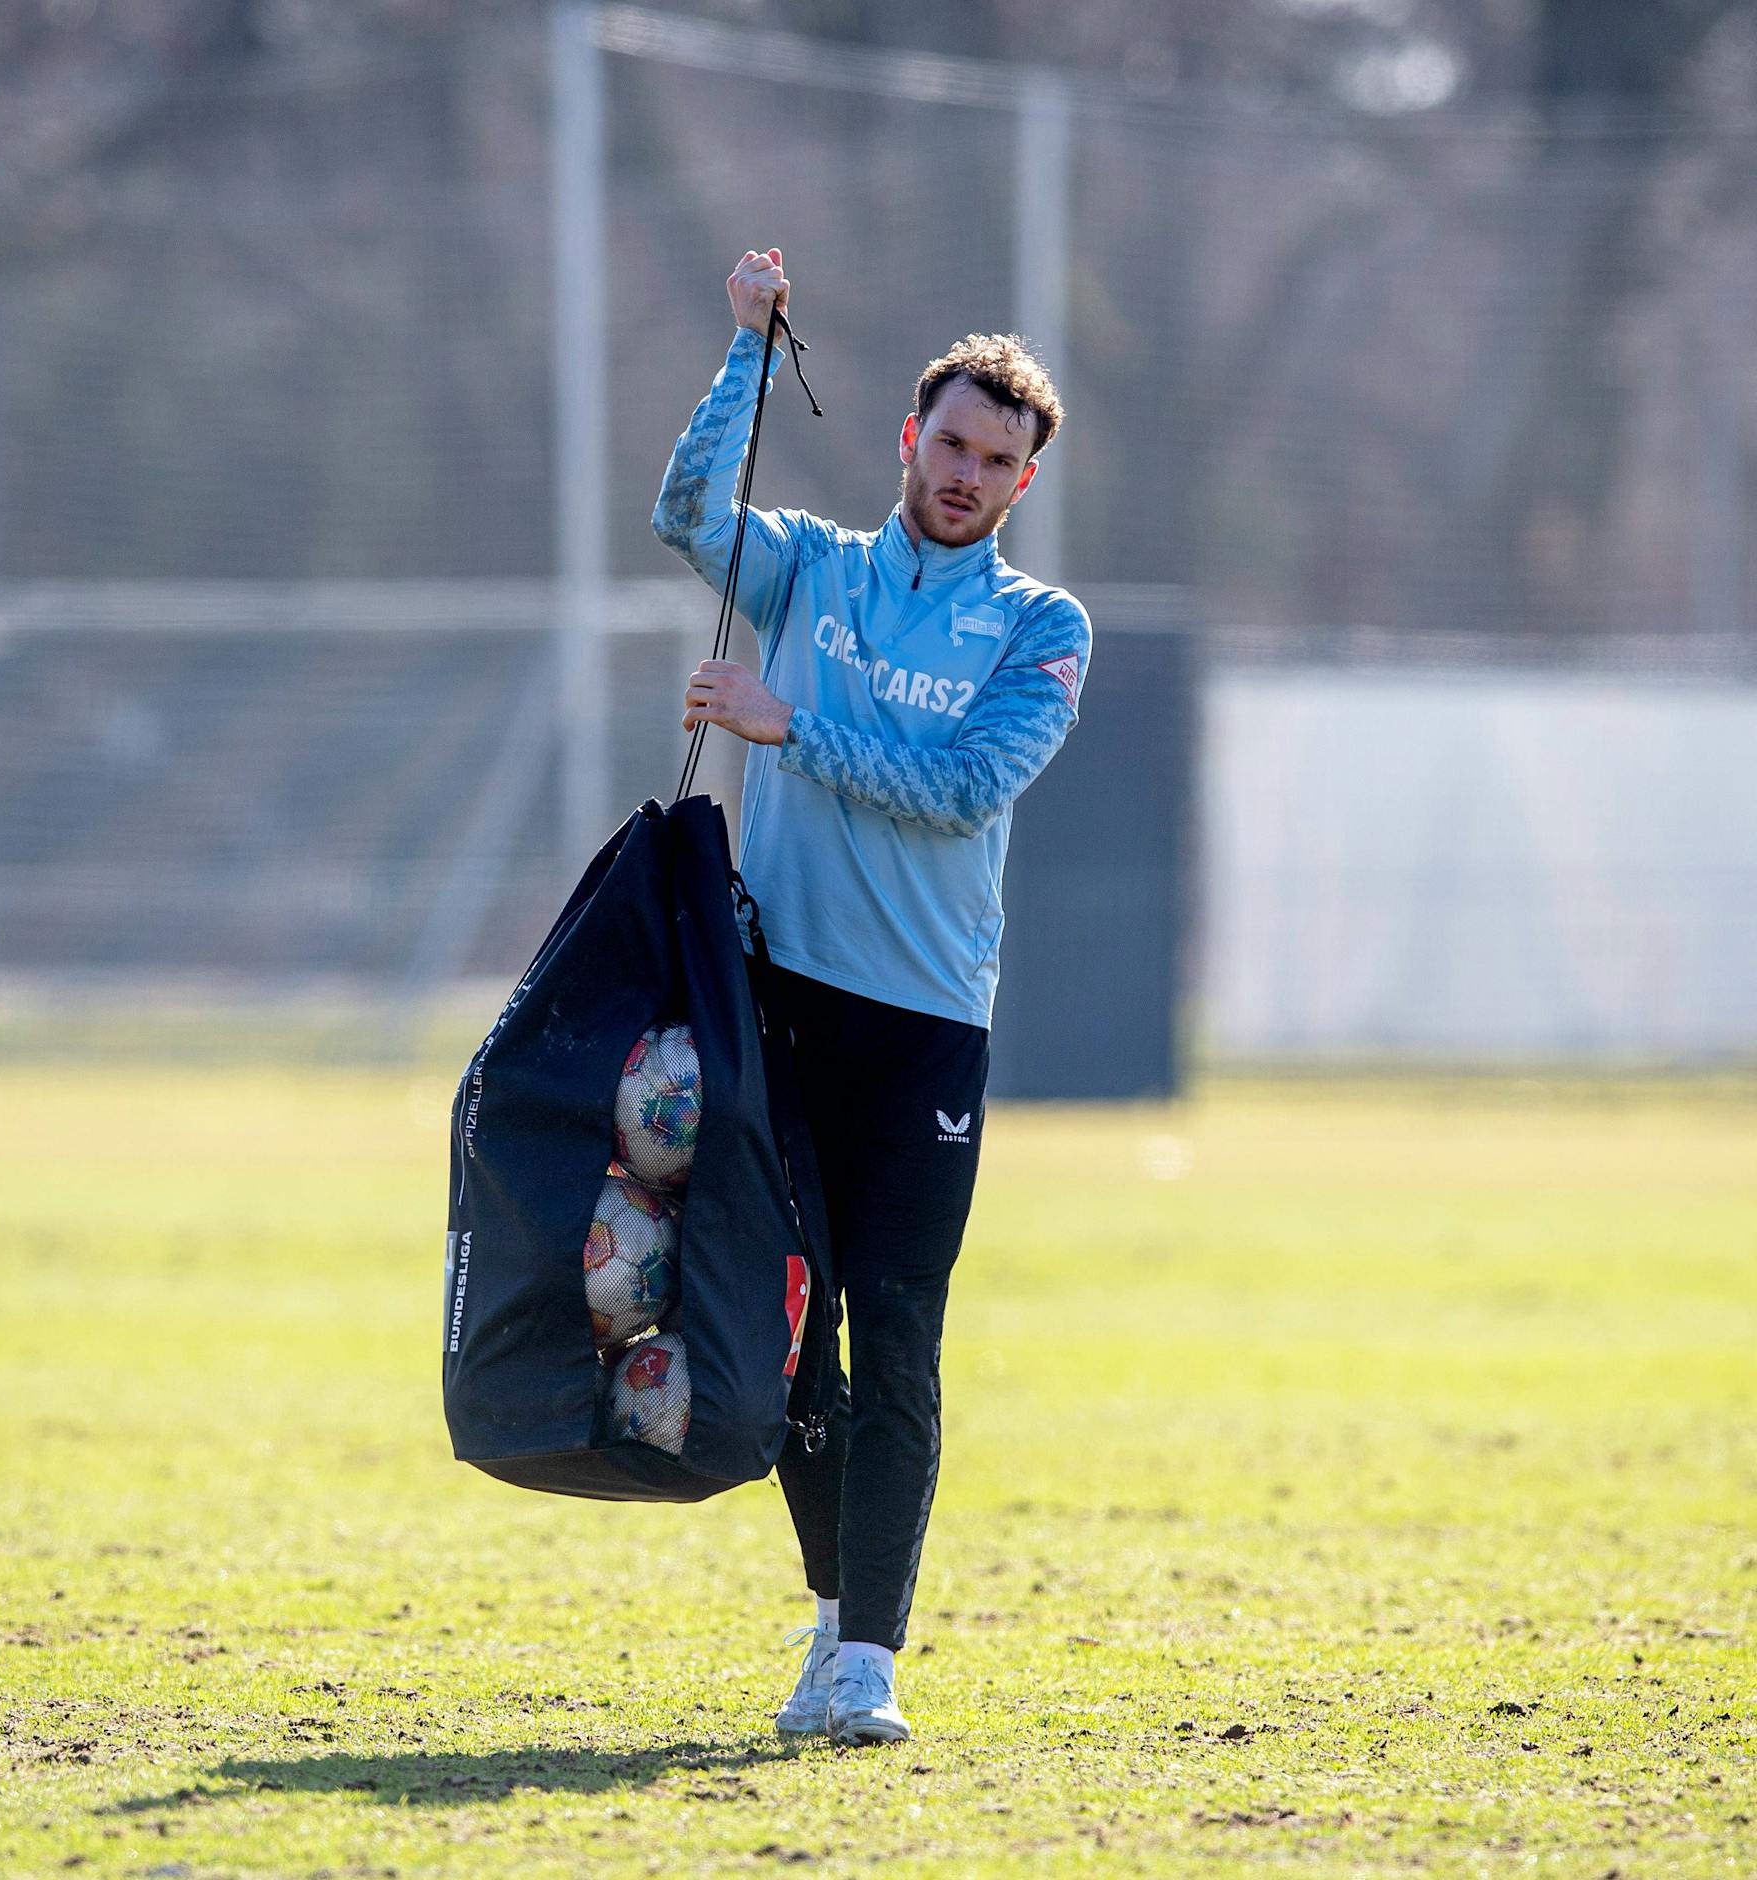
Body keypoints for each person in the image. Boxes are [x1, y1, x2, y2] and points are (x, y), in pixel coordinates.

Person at [652, 248, 1090, 1748]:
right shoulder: (816, 568)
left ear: (1020, 483)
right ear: (909, 440)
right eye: (951, 444)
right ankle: (838, 1620)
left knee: (898, 1334)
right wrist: (743, 355)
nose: (967, 475)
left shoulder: (1044, 632)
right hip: (774, 1004)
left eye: (997, 461)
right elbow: (682, 514)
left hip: (921, 1033)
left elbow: (965, 790)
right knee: (795, 1332)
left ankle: (869, 1663)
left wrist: (789, 727)